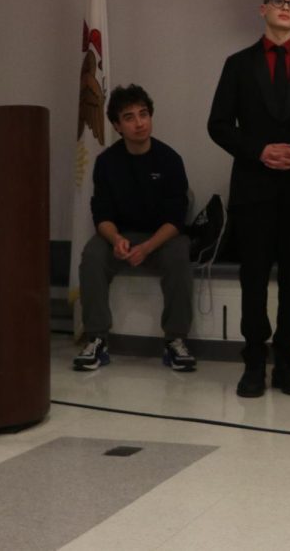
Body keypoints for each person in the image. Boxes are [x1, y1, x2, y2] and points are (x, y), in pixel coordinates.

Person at [208, 0, 290, 398]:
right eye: (278, 0)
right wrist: (259, 150)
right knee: (254, 277)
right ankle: (253, 361)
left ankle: (285, 363)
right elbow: (219, 125)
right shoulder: (238, 64)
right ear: (263, 9)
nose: (285, 7)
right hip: (254, 187)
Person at [73, 84, 196, 373]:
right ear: (117, 126)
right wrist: (116, 240)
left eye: (144, 114)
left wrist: (148, 247)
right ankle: (97, 339)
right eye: (129, 117)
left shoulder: (169, 160)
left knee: (180, 256)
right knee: (91, 255)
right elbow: (100, 214)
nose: (139, 123)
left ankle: (175, 340)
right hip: (122, 235)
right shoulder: (106, 162)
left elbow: (176, 219)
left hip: (162, 237)